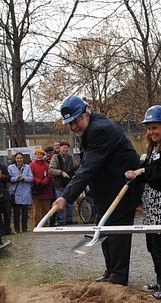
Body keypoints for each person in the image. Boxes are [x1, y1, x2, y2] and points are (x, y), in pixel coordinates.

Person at [54, 95, 141, 285]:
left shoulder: (100, 130)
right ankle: (111, 271)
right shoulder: (91, 128)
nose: (74, 127)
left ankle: (118, 276)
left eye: (76, 121)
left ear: (85, 114)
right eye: (69, 124)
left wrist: (66, 196)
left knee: (117, 233)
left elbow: (89, 166)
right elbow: (88, 165)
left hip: (122, 189)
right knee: (103, 230)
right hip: (106, 190)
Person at [125, 105, 161, 300]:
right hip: (150, 201)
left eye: (155, 127)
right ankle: (160, 280)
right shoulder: (152, 149)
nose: (151, 132)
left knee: (159, 245)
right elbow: (148, 171)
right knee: (150, 245)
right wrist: (136, 173)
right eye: (149, 128)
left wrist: (143, 173)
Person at [49, 142, 80, 225]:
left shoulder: (71, 157)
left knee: (70, 203)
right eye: (63, 147)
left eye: (66, 148)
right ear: (60, 148)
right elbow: (51, 169)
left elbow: (77, 167)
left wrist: (76, 175)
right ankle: (61, 221)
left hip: (69, 184)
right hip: (59, 184)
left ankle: (70, 220)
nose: (65, 149)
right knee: (60, 203)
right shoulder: (55, 157)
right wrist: (61, 172)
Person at [8, 152, 33, 233]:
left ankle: (25, 228)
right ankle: (17, 229)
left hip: (25, 192)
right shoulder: (10, 167)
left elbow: (31, 178)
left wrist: (24, 178)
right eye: (17, 158)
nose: (19, 160)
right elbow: (9, 179)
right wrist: (16, 178)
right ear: (15, 159)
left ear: (23, 159)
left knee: (25, 212)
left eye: (20, 158)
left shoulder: (28, 167)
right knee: (16, 212)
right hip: (15, 193)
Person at [29, 149, 53, 225]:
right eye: (37, 154)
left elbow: (49, 176)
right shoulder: (31, 165)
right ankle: (37, 224)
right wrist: (38, 182)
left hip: (46, 190)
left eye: (40, 154)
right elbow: (31, 175)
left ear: (43, 155)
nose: (39, 156)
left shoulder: (47, 165)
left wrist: (44, 182)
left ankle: (45, 224)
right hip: (36, 189)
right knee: (36, 210)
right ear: (35, 155)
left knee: (46, 209)